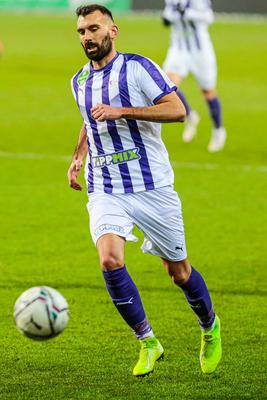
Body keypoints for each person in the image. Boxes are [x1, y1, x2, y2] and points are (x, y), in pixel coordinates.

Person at [67, 4, 222, 377]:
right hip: (105, 186)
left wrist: (124, 112)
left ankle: (210, 327)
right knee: (109, 258)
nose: (87, 37)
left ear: (113, 31)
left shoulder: (138, 68)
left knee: (179, 271)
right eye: (81, 32)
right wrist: (77, 158)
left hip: (152, 187)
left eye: (93, 29)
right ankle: (148, 342)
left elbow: (177, 110)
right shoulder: (79, 81)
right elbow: (90, 121)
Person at [162, 0, 227, 152]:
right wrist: (167, 17)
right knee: (168, 86)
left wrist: (187, 13)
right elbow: (168, 14)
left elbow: (209, 17)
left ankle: (218, 130)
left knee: (208, 92)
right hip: (178, 49)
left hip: (200, 51)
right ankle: (190, 116)